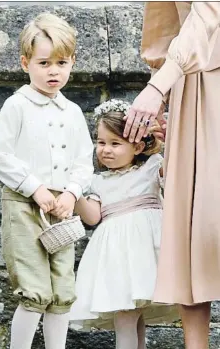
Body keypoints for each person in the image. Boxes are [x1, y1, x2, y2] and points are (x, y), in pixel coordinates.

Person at [0, 13, 94, 349]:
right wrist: (34, 187)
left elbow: (83, 160)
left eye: (61, 62)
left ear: (72, 62)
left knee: (62, 289)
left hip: (62, 209)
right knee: (35, 289)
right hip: (24, 206)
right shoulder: (16, 105)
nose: (53, 71)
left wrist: (72, 193)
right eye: (44, 62)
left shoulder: (73, 112)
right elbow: (0, 155)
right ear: (25, 63)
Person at [123, 3, 220, 349]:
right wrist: (161, 81)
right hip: (191, 84)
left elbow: (210, 11)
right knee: (189, 232)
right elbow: (163, 18)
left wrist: (159, 85)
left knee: (213, 226)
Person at [70, 99, 178, 349]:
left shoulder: (151, 168)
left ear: (138, 146)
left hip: (146, 254)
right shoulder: (99, 182)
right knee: (127, 317)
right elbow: (92, 217)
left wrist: (168, 134)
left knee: (132, 316)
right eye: (101, 142)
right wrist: (74, 192)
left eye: (115, 143)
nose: (106, 149)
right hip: (116, 258)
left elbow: (175, 168)